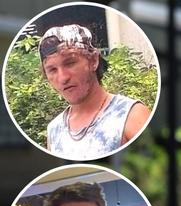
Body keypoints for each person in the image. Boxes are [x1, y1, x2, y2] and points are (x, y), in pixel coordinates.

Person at [38, 24, 151, 160]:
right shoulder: (54, 130)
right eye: (52, 70)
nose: (63, 78)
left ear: (93, 61)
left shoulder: (130, 115)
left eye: (70, 63)